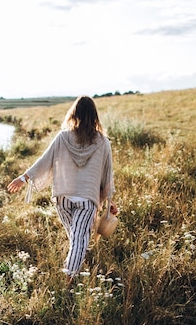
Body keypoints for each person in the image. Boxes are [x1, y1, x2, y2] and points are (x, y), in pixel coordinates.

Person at [7, 96, 117, 285]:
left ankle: (79, 259)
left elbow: (43, 161)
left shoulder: (62, 138)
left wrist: (24, 178)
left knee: (77, 237)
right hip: (86, 200)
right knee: (79, 239)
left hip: (63, 199)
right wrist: (109, 202)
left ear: (74, 114)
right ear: (94, 116)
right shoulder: (103, 142)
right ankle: (70, 280)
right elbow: (107, 175)